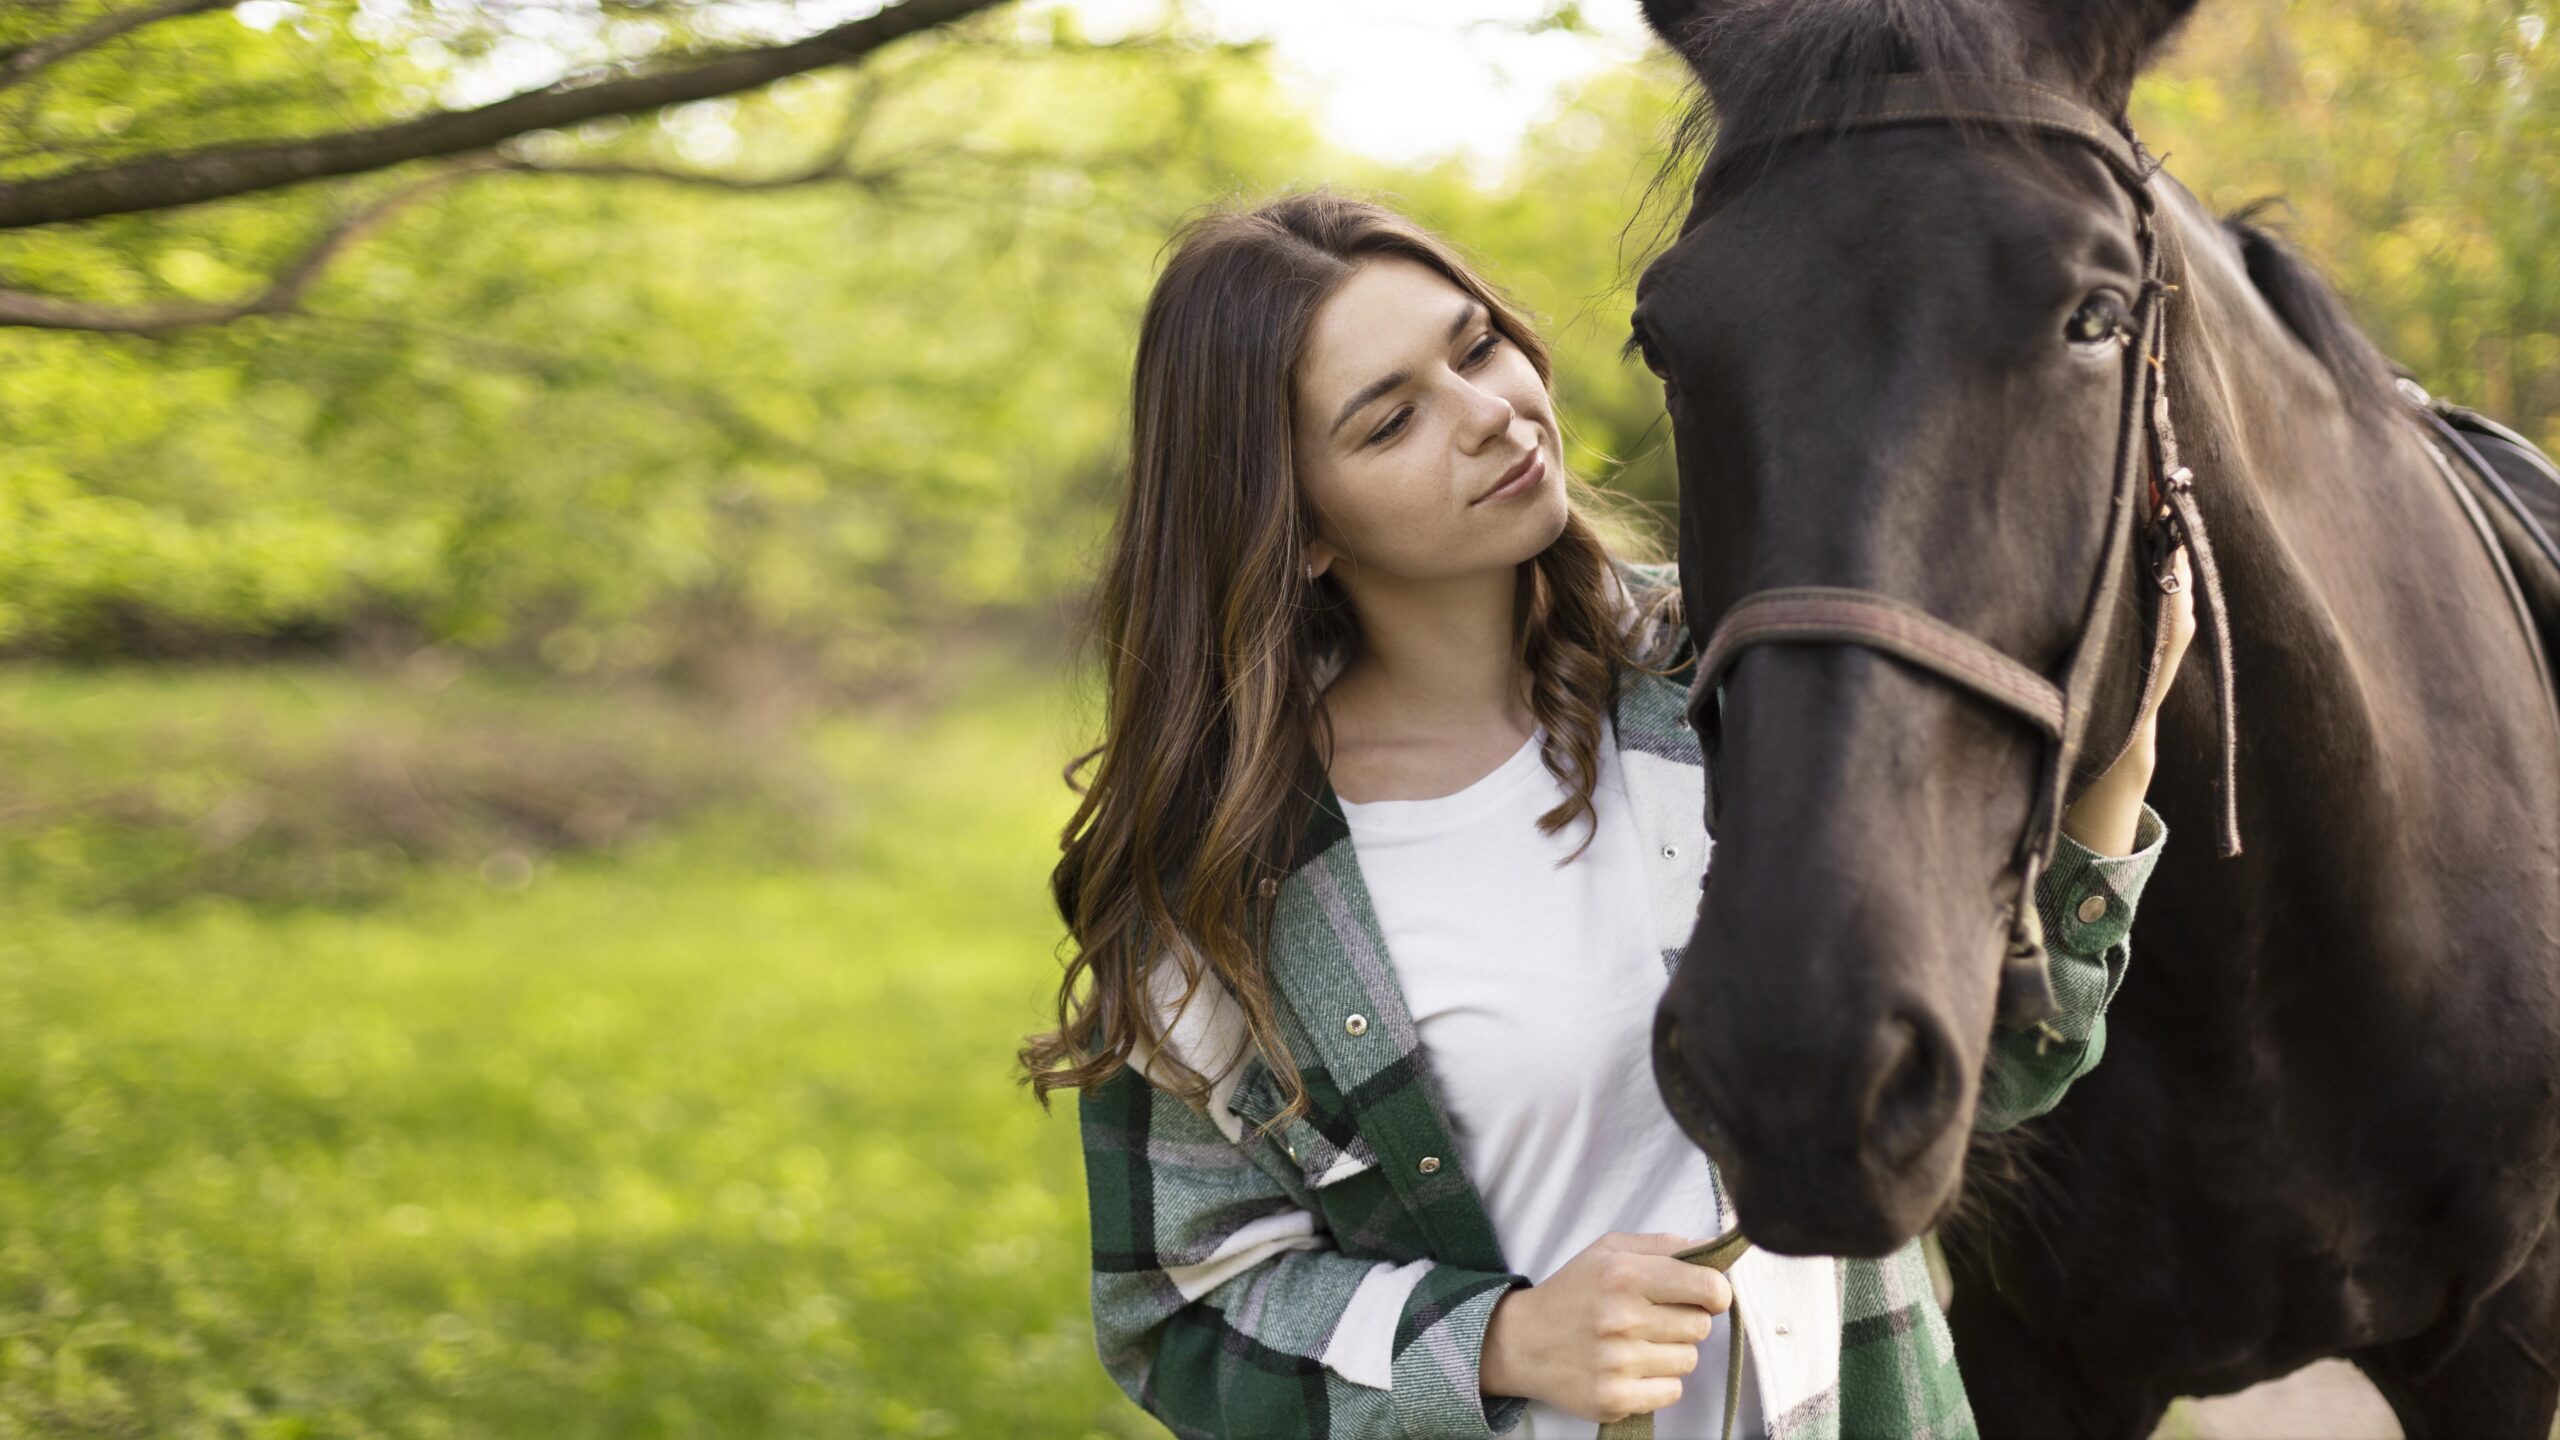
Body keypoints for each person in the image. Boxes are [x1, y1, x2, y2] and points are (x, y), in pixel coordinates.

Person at [1017, 189, 2190, 1440]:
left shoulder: (1748, 683)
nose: (1487, 414)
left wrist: (2112, 780)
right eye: (1391, 420)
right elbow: (1179, 1311)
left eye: (1476, 347)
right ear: (1296, 525)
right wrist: (1498, 1345)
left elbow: (1988, 1074)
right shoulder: (1226, 881)